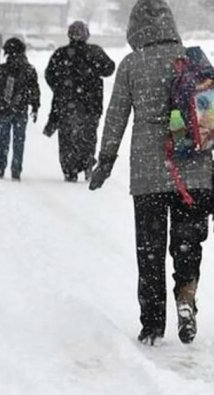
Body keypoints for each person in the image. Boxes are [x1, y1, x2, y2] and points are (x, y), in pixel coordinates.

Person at [89, 0, 212, 346]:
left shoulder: (131, 64)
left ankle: (152, 325)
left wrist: (105, 160)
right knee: (188, 244)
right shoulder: (193, 59)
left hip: (148, 174)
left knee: (150, 249)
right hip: (195, 171)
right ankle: (186, 296)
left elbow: (116, 117)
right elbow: (209, 115)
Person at [45, 21, 115, 182]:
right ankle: (87, 163)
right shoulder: (94, 52)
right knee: (88, 136)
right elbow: (109, 68)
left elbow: (50, 75)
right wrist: (93, 70)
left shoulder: (60, 54)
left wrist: (60, 88)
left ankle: (70, 169)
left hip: (66, 104)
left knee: (67, 138)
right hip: (91, 104)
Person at [0, 38, 40, 181]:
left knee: (3, 138)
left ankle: (0, 166)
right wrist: (35, 106)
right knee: (19, 140)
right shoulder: (29, 70)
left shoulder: (2, 69)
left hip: (4, 109)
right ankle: (16, 168)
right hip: (21, 109)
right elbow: (35, 90)